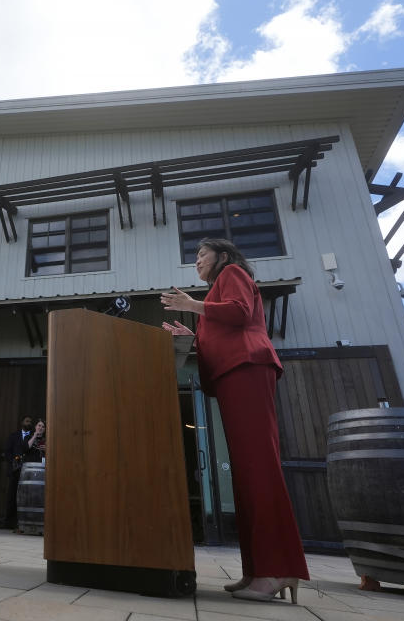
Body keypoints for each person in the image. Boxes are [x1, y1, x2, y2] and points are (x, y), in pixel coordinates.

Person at [161, 237, 308, 604]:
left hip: (247, 368)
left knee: (258, 469)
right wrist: (192, 338)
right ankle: (259, 568)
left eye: (201, 254)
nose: (196, 261)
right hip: (233, 374)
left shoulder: (232, 273)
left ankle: (277, 567)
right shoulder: (213, 298)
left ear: (222, 256)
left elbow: (241, 313)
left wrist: (194, 305)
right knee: (245, 473)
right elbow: (223, 333)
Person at [3, 415, 33, 529]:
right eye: (26, 421)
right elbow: (7, 451)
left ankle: (21, 521)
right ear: (22, 422)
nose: (28, 423)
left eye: (30, 421)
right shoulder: (14, 436)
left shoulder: (32, 436)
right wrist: (13, 462)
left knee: (24, 497)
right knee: (12, 496)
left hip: (27, 470)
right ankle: (8, 522)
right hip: (14, 470)